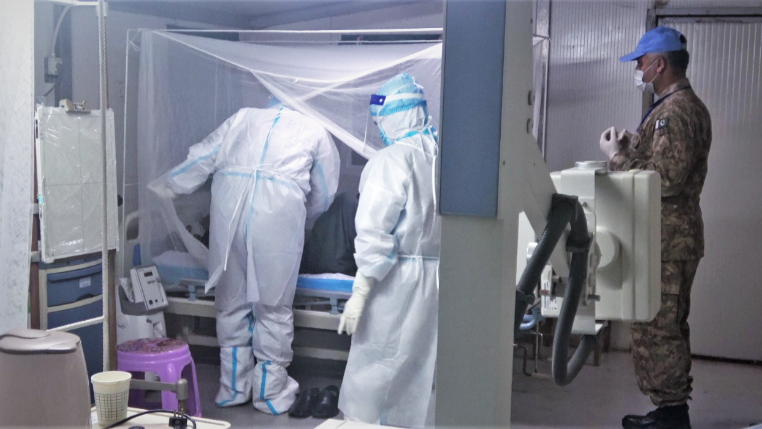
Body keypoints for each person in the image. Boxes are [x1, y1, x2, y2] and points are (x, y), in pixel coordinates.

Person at [149, 97, 340, 415]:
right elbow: (325, 190)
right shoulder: (314, 128)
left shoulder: (242, 117)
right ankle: (270, 393)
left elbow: (203, 156)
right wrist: (303, 214)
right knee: (273, 305)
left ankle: (233, 388)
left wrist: (166, 186)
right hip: (277, 212)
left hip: (228, 207)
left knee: (231, 300)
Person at [599, 26, 712, 429]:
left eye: (642, 62)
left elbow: (665, 179)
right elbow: (662, 162)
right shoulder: (677, 107)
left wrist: (616, 159)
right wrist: (634, 145)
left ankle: (672, 416)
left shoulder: (674, 113)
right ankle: (668, 411)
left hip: (668, 240)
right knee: (662, 325)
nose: (639, 69)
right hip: (669, 238)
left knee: (660, 329)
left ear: (660, 64)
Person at [337, 73, 441, 428]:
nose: (378, 129)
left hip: (396, 283)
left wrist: (360, 293)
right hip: (439, 282)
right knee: (424, 370)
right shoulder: (443, 158)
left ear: (391, 117)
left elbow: (374, 234)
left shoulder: (391, 161)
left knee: (376, 368)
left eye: (379, 121)